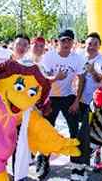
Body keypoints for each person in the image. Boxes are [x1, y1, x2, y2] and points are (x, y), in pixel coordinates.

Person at [36, 29, 85, 180]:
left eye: (69, 40)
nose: (66, 43)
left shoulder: (77, 58)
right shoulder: (49, 56)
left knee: (74, 130)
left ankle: (77, 164)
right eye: (63, 40)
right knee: (47, 131)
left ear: (73, 42)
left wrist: (76, 101)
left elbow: (82, 79)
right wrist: (55, 77)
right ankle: (44, 160)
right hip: (51, 97)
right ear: (58, 41)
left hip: (68, 97)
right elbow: (42, 78)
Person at [71, 32, 102, 181]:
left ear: (99, 46)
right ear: (85, 43)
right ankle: (80, 157)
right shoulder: (79, 55)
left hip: (95, 102)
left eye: (95, 44)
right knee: (81, 130)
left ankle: (95, 156)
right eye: (89, 43)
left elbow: (101, 79)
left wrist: (93, 72)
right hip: (78, 99)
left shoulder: (101, 60)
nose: (91, 46)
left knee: (92, 130)